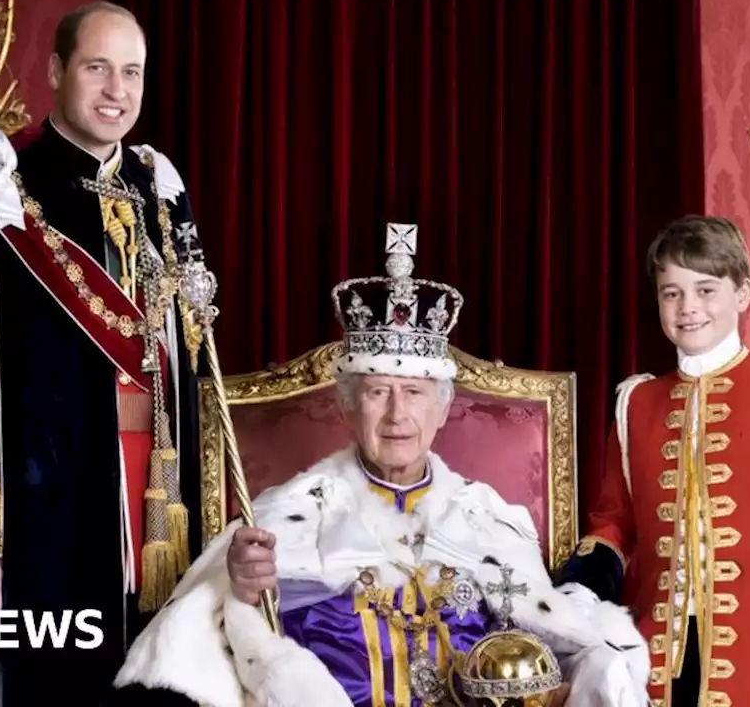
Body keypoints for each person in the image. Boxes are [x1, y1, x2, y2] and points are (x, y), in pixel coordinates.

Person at [113, 223, 651, 707]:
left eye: (415, 393)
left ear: (443, 409)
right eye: (377, 392)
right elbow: (223, 637)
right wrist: (245, 590)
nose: (397, 414)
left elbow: (554, 645)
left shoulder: (491, 521)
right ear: (347, 405)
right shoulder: (286, 517)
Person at [0, 1, 209, 707]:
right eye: (97, 68)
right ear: (55, 71)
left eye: (132, 72)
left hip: (158, 503)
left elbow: (188, 368)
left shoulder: (159, 192)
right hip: (44, 499)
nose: (117, 90)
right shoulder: (1, 188)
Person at [559, 215, 750, 707]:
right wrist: (580, 589)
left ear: (742, 294)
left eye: (705, 289)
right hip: (655, 656)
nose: (688, 307)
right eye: (671, 293)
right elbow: (615, 521)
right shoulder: (637, 402)